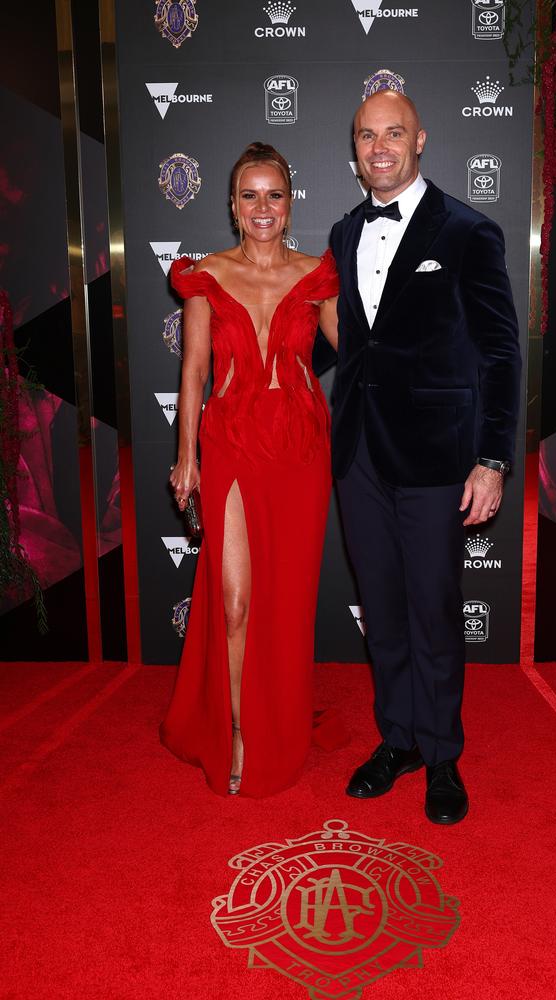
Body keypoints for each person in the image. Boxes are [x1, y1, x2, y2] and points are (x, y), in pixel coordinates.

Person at [329, 89, 521, 824]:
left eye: (393, 133)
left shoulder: (469, 231)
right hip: (360, 457)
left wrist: (492, 459)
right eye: (366, 134)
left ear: (420, 140)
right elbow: (347, 341)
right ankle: (399, 739)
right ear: (355, 149)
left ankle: (443, 753)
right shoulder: (346, 233)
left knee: (435, 611)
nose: (379, 147)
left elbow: (501, 355)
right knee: (382, 609)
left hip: (441, 457)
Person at [161, 142, 339, 797]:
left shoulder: (319, 274)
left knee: (286, 604)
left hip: (299, 450)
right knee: (234, 602)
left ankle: (277, 726)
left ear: (290, 204)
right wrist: (186, 457)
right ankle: (235, 730)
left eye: (274, 194)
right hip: (232, 442)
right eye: (249, 195)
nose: (262, 207)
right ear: (232, 205)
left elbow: (359, 348)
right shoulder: (205, 275)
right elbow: (195, 370)